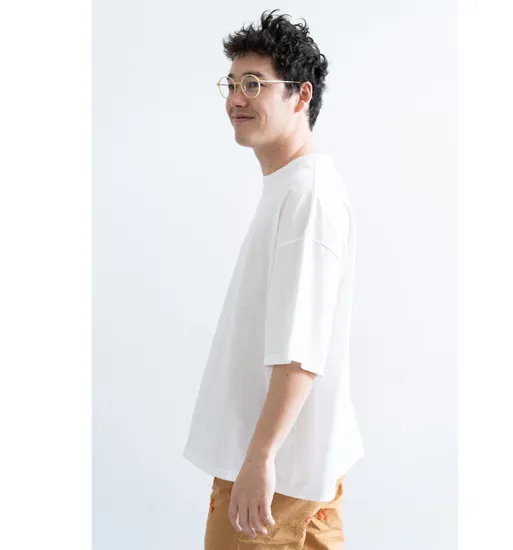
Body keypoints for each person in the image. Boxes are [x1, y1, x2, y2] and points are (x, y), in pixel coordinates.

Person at [182, 9, 364, 549]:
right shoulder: (293, 188)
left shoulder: (307, 196)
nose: (237, 98)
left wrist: (260, 458)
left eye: (254, 84)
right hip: (286, 466)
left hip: (277, 475)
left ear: (300, 96)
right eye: (233, 83)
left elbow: (300, 351)